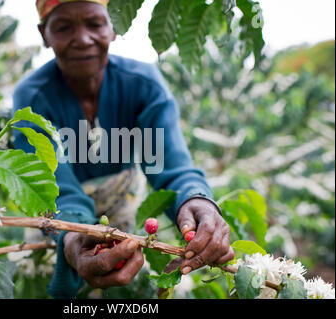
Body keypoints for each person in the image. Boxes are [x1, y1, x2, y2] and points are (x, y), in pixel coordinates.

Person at [12, 0, 234, 299]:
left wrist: (196, 200)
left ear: (113, 27)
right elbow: (51, 187)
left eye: (95, 24)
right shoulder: (33, 97)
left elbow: (171, 166)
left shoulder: (143, 85)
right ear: (44, 34)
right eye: (64, 27)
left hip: (122, 207)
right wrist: (74, 236)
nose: (83, 38)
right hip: (59, 216)